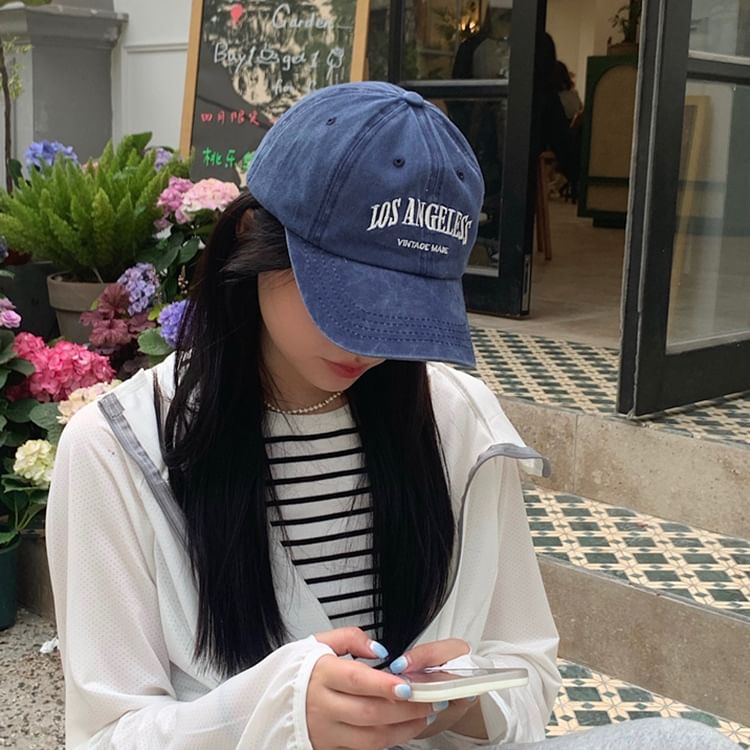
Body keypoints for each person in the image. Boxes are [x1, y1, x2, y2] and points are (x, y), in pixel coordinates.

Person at [46, 82, 736, 750]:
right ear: (255, 237)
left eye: (403, 311)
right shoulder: (117, 450)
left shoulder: (457, 420)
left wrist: (462, 699)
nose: (371, 346)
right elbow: (107, 734)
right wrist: (279, 713)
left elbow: (527, 670)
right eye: (349, 300)